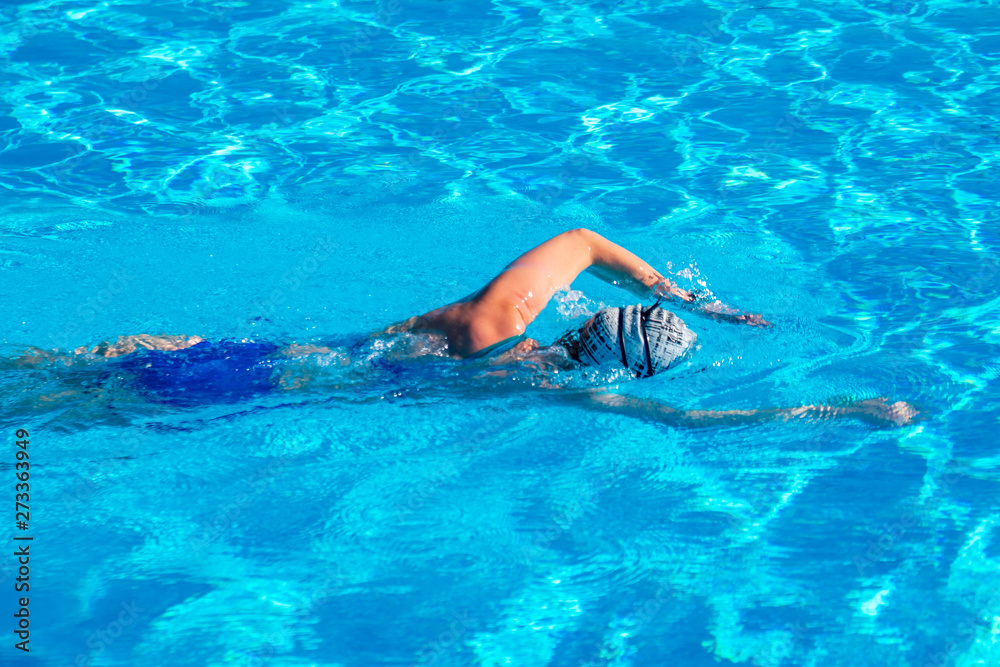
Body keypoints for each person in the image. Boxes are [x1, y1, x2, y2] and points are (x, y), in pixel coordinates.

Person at [11, 229, 918, 426]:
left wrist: (692, 298)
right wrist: (844, 409)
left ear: (601, 319)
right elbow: (695, 426)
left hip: (249, 357)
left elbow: (583, 237)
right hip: (244, 395)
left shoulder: (503, 312)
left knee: (53, 370)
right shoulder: (529, 375)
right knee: (45, 406)